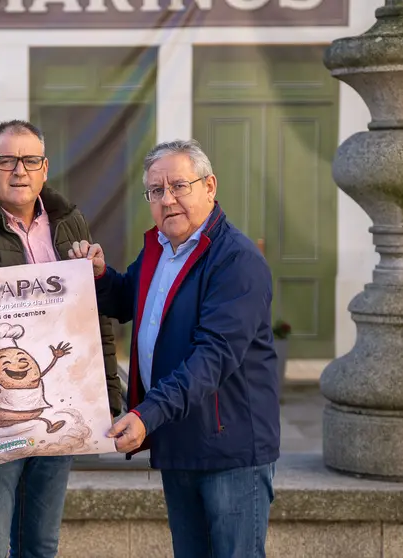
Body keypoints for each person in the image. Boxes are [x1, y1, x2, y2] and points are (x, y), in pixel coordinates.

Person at [69, 139, 280, 558]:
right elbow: (131, 298)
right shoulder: (161, 250)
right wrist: (99, 277)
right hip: (179, 440)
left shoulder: (235, 261)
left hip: (229, 451)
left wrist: (146, 414)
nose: (168, 200)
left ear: (210, 186)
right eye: (156, 191)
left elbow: (212, 357)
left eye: (179, 186)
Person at [0, 119, 124, 558]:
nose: (19, 170)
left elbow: (94, 320)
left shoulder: (70, 224)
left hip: (54, 406)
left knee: (40, 544)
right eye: (6, 160)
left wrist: (107, 398)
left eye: (30, 160)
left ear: (44, 168)